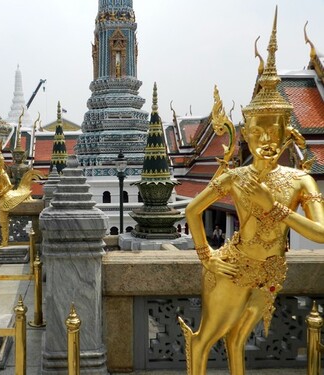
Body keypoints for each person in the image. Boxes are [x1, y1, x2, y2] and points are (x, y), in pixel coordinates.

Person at [179, 12, 324, 375]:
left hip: (272, 270)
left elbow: (320, 234)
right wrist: (206, 256)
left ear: (286, 132)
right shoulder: (235, 177)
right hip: (234, 267)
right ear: (246, 135)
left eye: (275, 133)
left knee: (238, 340)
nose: (268, 142)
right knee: (207, 338)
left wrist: (274, 207)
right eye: (258, 134)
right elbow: (193, 210)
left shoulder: (300, 179)